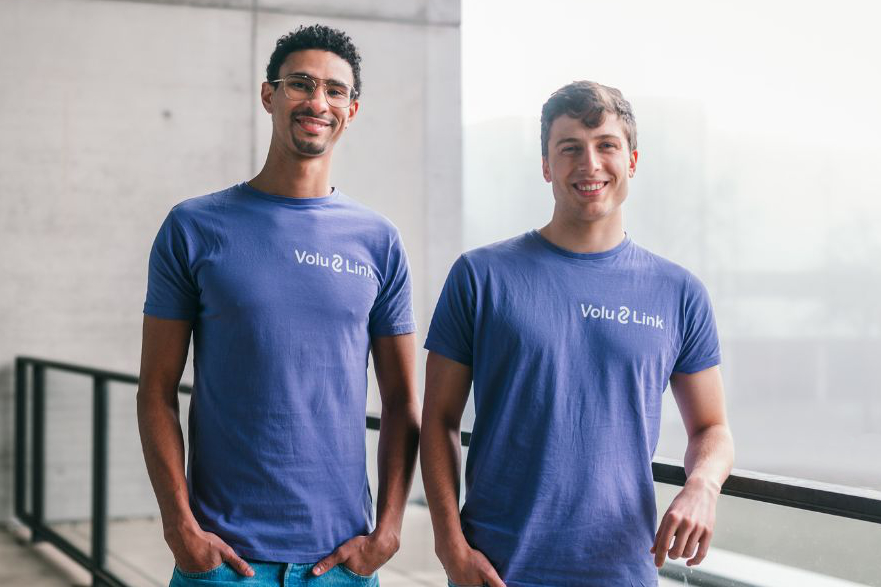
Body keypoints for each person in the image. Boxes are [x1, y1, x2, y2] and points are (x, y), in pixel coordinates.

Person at [137, 24, 420, 587]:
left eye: (335, 90)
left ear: (351, 111)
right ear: (269, 95)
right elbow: (156, 389)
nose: (318, 102)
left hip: (340, 563)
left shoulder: (378, 241)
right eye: (301, 84)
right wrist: (180, 528)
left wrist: (388, 531)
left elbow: (401, 400)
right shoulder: (193, 227)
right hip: (222, 562)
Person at [420, 81, 734, 587]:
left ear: (632, 161)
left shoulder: (679, 293)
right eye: (570, 148)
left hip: (622, 571)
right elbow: (438, 421)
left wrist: (703, 486)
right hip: (498, 570)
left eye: (606, 145)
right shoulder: (480, 276)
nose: (590, 164)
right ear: (547, 166)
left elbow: (712, 428)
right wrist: (450, 547)